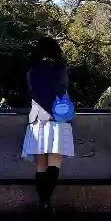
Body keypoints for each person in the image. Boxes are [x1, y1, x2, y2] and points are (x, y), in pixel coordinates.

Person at [22, 36, 74, 209]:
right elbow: (62, 90)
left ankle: (42, 202)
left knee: (41, 165)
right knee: (54, 162)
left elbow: (32, 93)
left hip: (38, 119)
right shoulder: (61, 69)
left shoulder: (32, 72)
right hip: (58, 118)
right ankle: (46, 202)